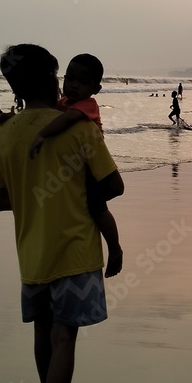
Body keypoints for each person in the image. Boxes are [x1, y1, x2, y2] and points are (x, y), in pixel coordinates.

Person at [0, 44, 124, 383]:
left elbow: (1, 202)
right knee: (65, 339)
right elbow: (111, 184)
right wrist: (82, 200)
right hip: (76, 253)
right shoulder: (80, 129)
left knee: (44, 335)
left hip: (33, 255)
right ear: (52, 79)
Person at [29, 54, 121, 268]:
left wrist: (42, 134)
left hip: (92, 163)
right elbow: (43, 112)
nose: (74, 85)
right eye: (70, 78)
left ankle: (115, 249)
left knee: (96, 207)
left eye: (83, 82)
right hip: (76, 162)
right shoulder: (64, 102)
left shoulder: (88, 105)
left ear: (96, 89)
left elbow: (67, 118)